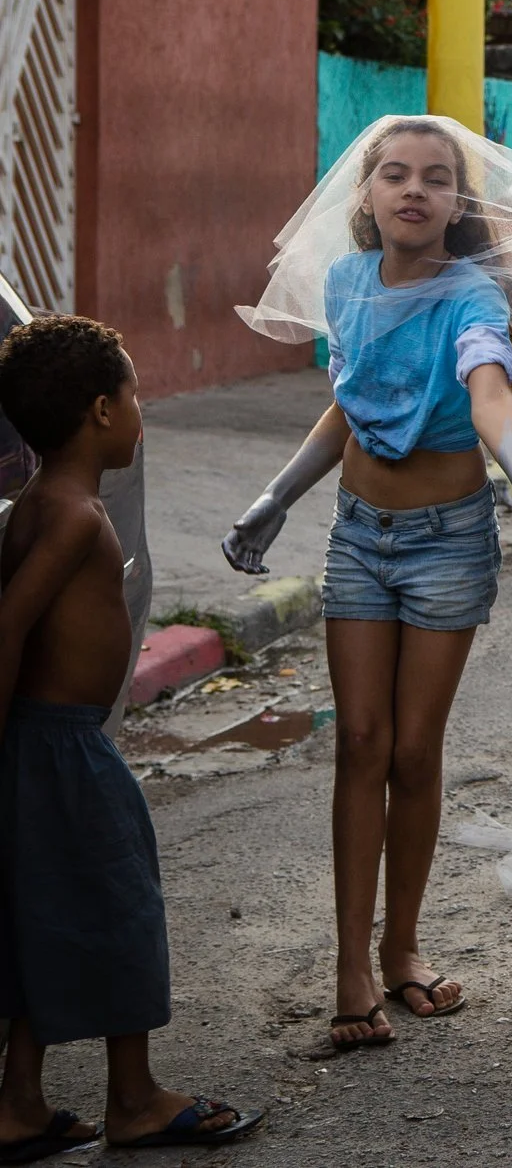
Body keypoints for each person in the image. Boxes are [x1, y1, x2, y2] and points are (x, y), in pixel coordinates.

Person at [222, 117, 512, 1052]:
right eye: (394, 173)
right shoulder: (347, 283)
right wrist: (275, 495)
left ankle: (403, 947)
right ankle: (351, 964)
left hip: (446, 544)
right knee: (361, 747)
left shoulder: (472, 295)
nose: (412, 189)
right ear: (368, 193)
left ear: (456, 203)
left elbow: (488, 387)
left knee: (414, 754)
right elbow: (350, 399)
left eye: (433, 177)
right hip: (358, 536)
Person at [0, 317, 262, 1153]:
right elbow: (8, 627)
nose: (141, 406)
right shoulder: (75, 515)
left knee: (42, 916)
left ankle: (20, 1103)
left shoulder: (39, 505)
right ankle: (135, 1095)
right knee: (121, 908)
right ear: (102, 412)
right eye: (137, 391)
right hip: (64, 746)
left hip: (45, 742)